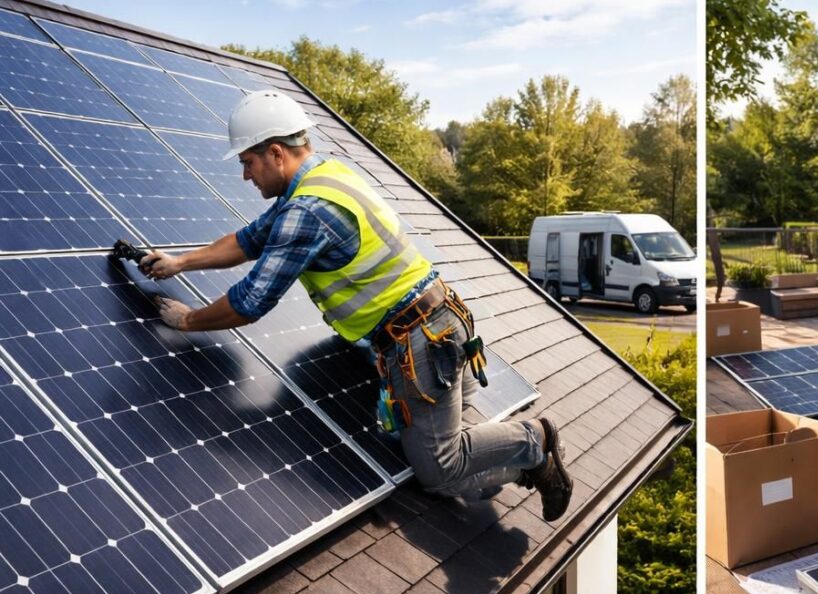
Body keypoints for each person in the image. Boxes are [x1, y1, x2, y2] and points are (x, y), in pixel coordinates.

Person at [138, 91, 573, 521]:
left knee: (439, 471)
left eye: (247, 163)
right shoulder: (325, 176)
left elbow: (251, 302)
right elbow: (248, 240)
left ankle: (535, 440)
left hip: (420, 343)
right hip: (441, 320)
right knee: (447, 459)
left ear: (275, 154)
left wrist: (187, 320)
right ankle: (524, 460)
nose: (246, 176)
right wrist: (181, 262)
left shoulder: (309, 210)